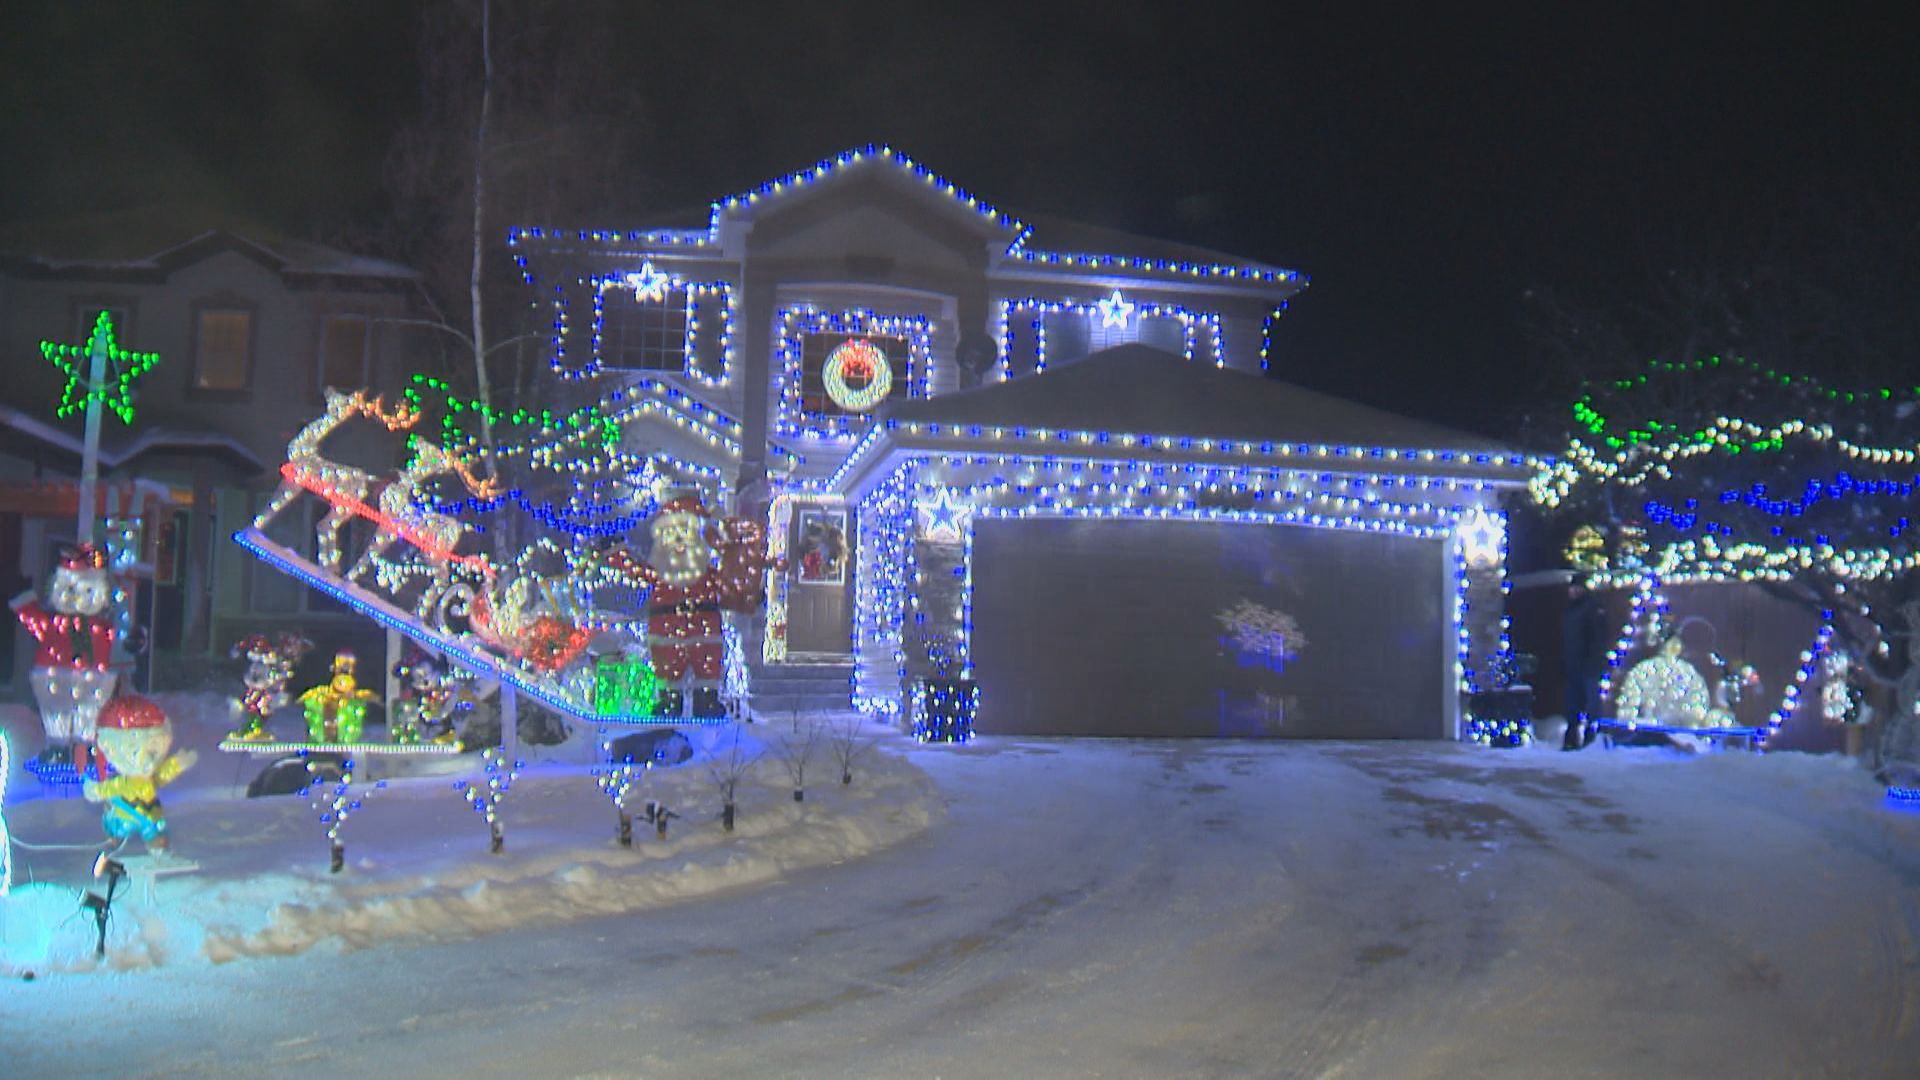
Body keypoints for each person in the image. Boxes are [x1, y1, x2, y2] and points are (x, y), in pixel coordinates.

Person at [1562, 581, 1607, 749]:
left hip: (1588, 667)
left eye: (1577, 588)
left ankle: (1591, 739)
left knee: (1591, 704)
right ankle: (1572, 739)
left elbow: (1598, 638)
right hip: (1573, 665)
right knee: (1573, 704)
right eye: (1572, 588)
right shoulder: (1570, 610)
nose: (1573, 591)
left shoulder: (1592, 609)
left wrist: (1592, 661)